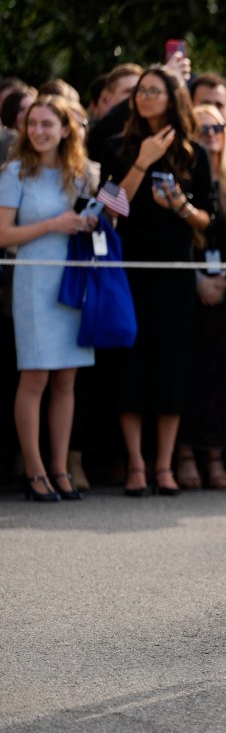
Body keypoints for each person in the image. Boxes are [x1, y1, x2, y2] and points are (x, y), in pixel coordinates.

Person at [97, 66, 216, 497]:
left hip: (175, 272)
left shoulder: (194, 153)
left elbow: (207, 219)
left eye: (154, 91)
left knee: (172, 365)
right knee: (130, 365)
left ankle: (164, 465)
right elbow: (110, 209)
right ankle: (135, 465)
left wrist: (181, 206)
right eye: (141, 91)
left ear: (173, 98)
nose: (145, 97)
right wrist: (142, 161)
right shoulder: (117, 146)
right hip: (129, 269)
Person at [0, 95, 99, 502]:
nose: (39, 131)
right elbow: (4, 236)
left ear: (64, 130)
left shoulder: (80, 175)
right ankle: (35, 470)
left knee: (67, 377)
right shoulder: (14, 172)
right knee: (36, 376)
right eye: (33, 124)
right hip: (34, 280)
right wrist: (54, 224)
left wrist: (87, 222)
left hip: (72, 281)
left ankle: (60, 469)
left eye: (48, 124)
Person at [173, 104, 226, 491]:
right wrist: (197, 280)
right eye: (202, 129)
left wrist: (224, 281)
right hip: (190, 293)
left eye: (218, 127)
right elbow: (176, 241)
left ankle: (215, 454)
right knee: (189, 373)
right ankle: (185, 454)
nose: (211, 135)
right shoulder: (183, 180)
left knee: (221, 376)